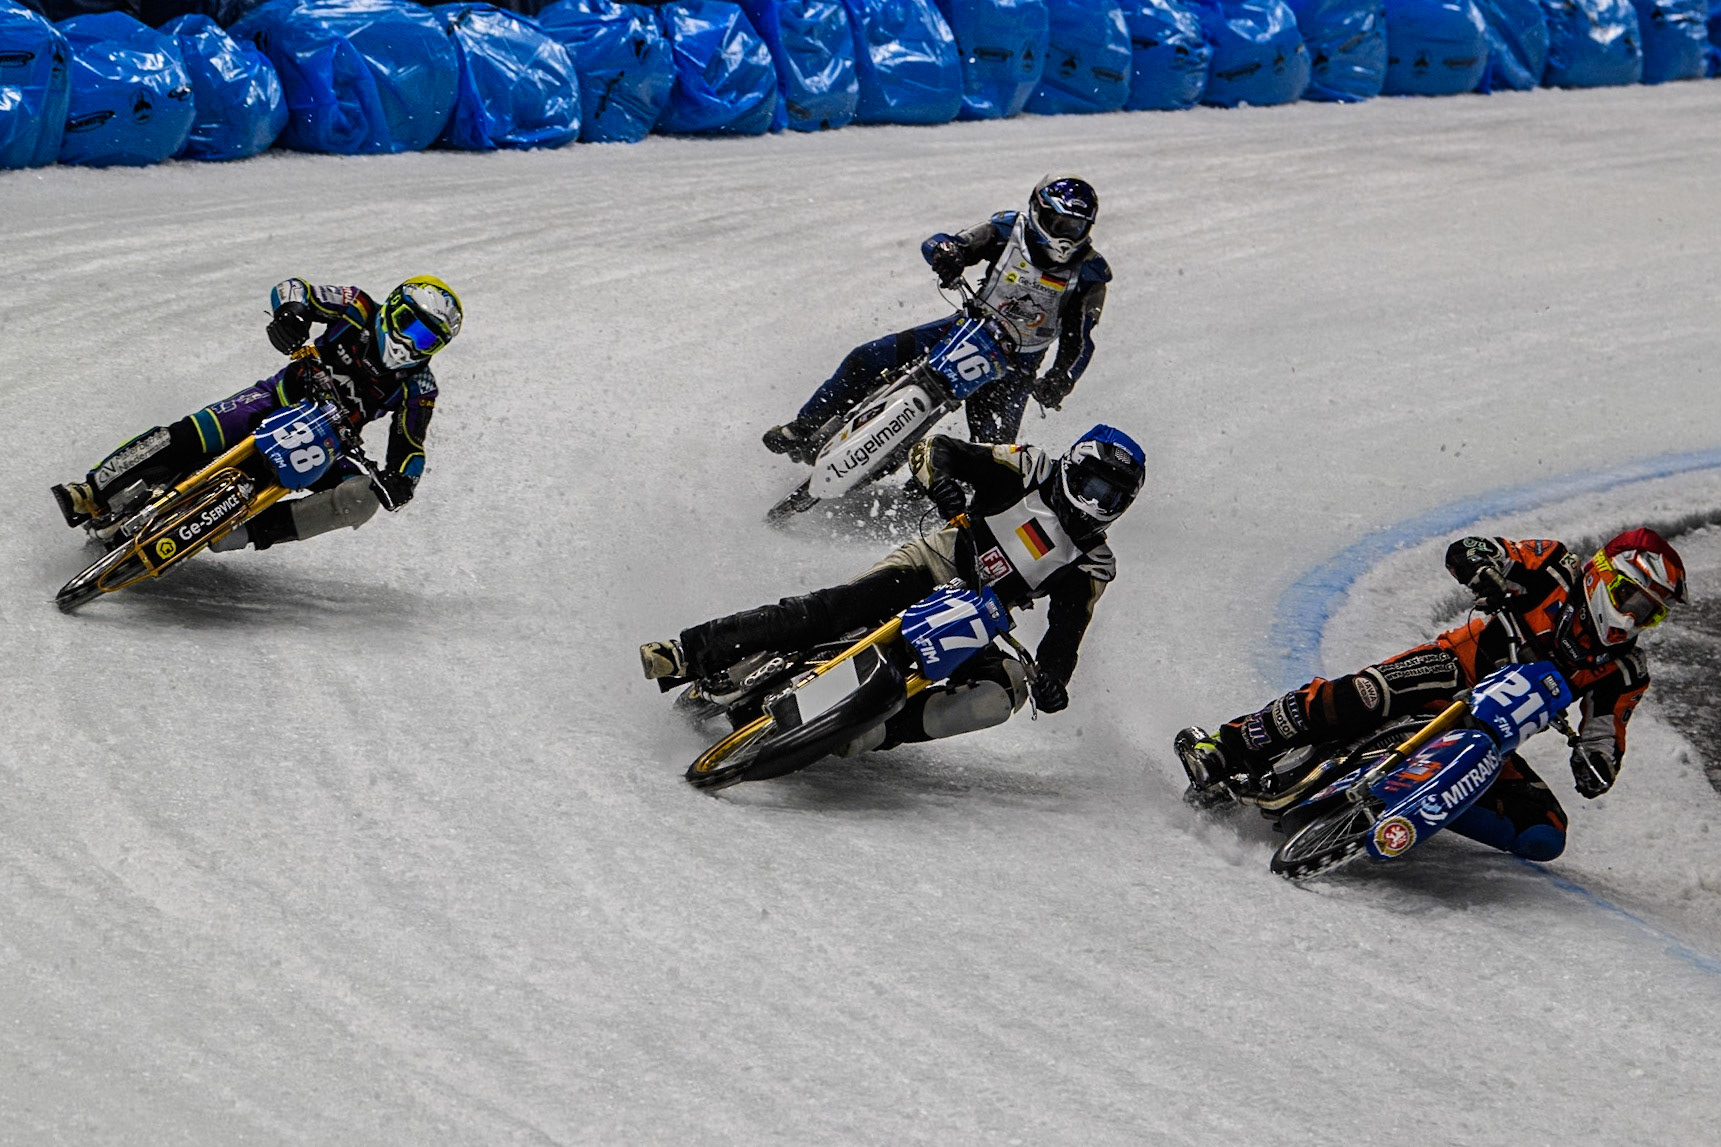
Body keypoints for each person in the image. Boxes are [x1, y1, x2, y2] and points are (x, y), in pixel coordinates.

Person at [1177, 529, 1688, 861]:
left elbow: (1607, 734)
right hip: (1451, 671)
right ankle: (1227, 745)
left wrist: (1597, 764)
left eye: (1649, 613)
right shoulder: (1554, 567)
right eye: (1628, 597)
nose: (1632, 618)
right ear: (1601, 576)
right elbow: (1475, 549)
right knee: (1364, 694)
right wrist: (1482, 564)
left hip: (1491, 735)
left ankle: (1413, 801)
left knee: (1544, 832)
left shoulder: (1626, 670)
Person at [643, 424, 1146, 749]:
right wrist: (939, 481)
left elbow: (1066, 633)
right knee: (831, 611)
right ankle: (688, 652)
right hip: (930, 566)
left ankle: (876, 732)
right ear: (1072, 467)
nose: (1095, 503)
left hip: (976, 619)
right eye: (1092, 485)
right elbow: (937, 448)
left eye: (1111, 497)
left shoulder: (1094, 563)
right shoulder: (1027, 466)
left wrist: (1054, 680)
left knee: (1003, 693)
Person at [51, 276, 462, 551]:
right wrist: (290, 313)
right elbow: (294, 289)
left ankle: (242, 533)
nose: (412, 343)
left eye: (428, 340)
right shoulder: (356, 305)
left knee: (361, 498)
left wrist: (402, 481)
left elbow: (411, 446)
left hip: (328, 447)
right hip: (274, 400)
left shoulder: (420, 386)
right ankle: (92, 490)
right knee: (192, 433)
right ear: (393, 308)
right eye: (410, 325)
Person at [761, 175, 1111, 462]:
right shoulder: (1007, 229)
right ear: (1038, 211)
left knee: (995, 458)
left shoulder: (1091, 274)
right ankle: (803, 427)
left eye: (1076, 227)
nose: (1065, 235)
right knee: (867, 357)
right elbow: (944, 242)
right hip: (965, 328)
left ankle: (930, 495)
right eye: (1060, 223)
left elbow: (1080, 340)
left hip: (1016, 367)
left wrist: (1060, 379)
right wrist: (948, 255)